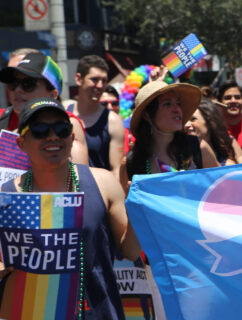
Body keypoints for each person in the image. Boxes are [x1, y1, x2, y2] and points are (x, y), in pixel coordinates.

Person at [0, 97, 141, 319]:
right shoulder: (6, 196)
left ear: (72, 136)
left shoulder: (103, 183)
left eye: (61, 128)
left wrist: (136, 213)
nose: (53, 136)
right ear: (21, 143)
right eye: (39, 130)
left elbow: (130, 252)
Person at [120, 80, 219, 185]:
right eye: (167, 104)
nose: (177, 109)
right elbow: (125, 199)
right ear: (147, 115)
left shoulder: (198, 148)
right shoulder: (131, 162)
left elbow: (221, 189)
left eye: (178, 103)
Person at [0, 52, 89, 165]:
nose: (18, 90)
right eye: (14, 83)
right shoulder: (1, 117)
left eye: (28, 84)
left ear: (52, 95)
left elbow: (79, 177)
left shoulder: (69, 123)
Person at [68, 55, 125, 179]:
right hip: (67, 194)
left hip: (99, 194)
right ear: (78, 79)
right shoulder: (64, 113)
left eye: (104, 81)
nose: (100, 86)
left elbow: (116, 170)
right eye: (94, 79)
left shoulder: (113, 121)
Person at [184, 100, 242, 166]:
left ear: (209, 122)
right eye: (184, 120)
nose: (186, 125)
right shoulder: (177, 155)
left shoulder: (229, 144)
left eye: (193, 119)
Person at [217, 80, 242, 150]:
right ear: (219, 102)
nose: (233, 101)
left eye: (237, 97)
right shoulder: (213, 125)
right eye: (228, 98)